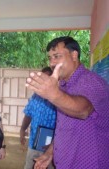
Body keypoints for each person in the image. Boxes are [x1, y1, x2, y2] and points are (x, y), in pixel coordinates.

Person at [25, 36, 109, 169]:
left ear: (74, 55)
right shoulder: (64, 86)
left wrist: (53, 94)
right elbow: (64, 128)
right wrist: (50, 153)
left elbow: (83, 110)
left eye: (57, 56)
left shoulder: (91, 81)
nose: (52, 63)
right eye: (50, 58)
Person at [20, 67, 56, 169]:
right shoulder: (36, 96)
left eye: (46, 78)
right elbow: (28, 113)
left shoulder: (59, 97)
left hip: (52, 147)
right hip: (33, 144)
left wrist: (54, 144)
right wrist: (22, 129)